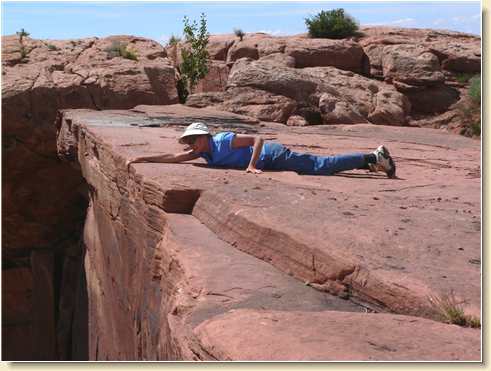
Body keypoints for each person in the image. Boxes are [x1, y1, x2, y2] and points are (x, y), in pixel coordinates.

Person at [126, 122, 396, 178]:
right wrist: (142, 157)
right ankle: (369, 163)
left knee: (321, 166)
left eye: (192, 140)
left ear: (203, 136)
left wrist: (252, 165)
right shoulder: (202, 153)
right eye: (189, 142)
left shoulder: (223, 140)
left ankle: (373, 157)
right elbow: (173, 158)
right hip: (271, 162)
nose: (190, 145)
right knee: (321, 168)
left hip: (274, 156)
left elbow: (258, 139)